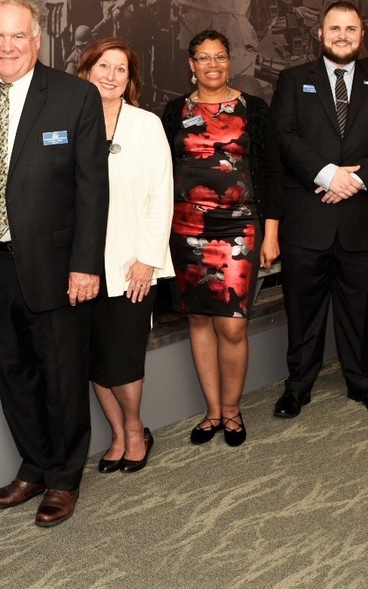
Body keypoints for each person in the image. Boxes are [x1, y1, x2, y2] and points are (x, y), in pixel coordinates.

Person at [0, 0, 108, 527]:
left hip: (57, 265)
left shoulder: (74, 96)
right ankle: (34, 466)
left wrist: (86, 265)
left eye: (18, 36)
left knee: (61, 374)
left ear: (37, 40)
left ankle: (64, 478)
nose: (8, 46)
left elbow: (91, 190)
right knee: (12, 372)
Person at [271, 1, 368, 419]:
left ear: (362, 34)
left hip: (362, 219)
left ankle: (363, 382)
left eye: (350, 28)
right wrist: (328, 174)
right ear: (320, 33)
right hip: (308, 220)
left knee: (362, 310)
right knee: (303, 311)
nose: (343, 35)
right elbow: (284, 135)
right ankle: (298, 386)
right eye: (335, 28)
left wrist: (356, 180)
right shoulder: (294, 80)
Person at [162, 29, 281, 446]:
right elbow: (162, 171)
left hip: (240, 228)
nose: (212, 64)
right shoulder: (174, 111)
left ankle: (233, 410)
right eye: (203, 58)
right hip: (187, 228)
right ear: (191, 65)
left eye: (219, 57)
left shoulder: (254, 109)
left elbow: (269, 173)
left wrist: (271, 233)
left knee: (232, 325)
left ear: (229, 61)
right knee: (198, 319)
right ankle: (212, 412)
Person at [77, 37, 173, 473]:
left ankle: (135, 430)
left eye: (121, 69)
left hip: (133, 262)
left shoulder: (146, 124)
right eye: (103, 66)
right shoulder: (68, 122)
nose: (111, 76)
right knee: (95, 356)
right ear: (86, 71)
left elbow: (162, 195)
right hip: (80, 264)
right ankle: (116, 433)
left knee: (124, 354)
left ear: (130, 79)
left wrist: (147, 258)